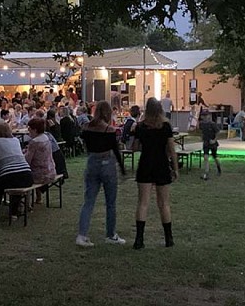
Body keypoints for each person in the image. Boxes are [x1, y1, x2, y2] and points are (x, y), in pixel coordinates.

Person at [75, 101, 127, 247]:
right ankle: (111, 234)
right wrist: (122, 169)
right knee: (110, 202)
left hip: (92, 162)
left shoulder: (86, 128)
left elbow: (85, 144)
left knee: (89, 201)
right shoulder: (109, 130)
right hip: (106, 163)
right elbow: (115, 150)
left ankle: (82, 234)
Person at [132, 97, 179, 249]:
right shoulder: (165, 126)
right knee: (164, 203)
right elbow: (172, 149)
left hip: (145, 164)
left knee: (143, 202)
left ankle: (139, 240)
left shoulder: (141, 126)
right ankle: (168, 238)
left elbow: (135, 147)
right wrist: (176, 168)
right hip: (161, 164)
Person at [0, 123, 33, 222]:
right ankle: (14, 214)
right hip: (27, 174)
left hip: (9, 174)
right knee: (16, 188)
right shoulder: (16, 140)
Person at [24, 118, 56, 205]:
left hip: (40, 174)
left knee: (22, 176)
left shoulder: (34, 142)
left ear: (34, 129)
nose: (28, 130)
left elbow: (27, 160)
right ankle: (38, 198)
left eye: (29, 128)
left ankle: (25, 204)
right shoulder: (46, 138)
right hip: (51, 170)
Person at [199, 110, 221, 180]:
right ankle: (206, 173)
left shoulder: (212, 124)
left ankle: (218, 167)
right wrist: (202, 137)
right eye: (203, 116)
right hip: (206, 142)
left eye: (206, 115)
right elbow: (201, 131)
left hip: (212, 143)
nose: (204, 117)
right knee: (205, 157)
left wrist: (214, 140)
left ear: (209, 116)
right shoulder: (201, 124)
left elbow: (218, 132)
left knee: (215, 157)